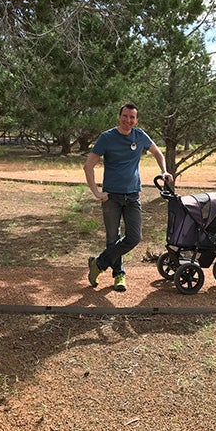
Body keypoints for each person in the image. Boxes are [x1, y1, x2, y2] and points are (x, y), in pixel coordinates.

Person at [84, 103, 173, 292]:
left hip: (133, 195)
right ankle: (119, 275)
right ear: (119, 117)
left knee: (134, 236)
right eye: (125, 116)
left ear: (136, 120)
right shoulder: (107, 138)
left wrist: (164, 171)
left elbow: (158, 153)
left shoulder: (139, 135)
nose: (128, 120)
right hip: (111, 197)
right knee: (112, 238)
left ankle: (98, 264)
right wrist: (96, 192)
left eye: (132, 117)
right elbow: (88, 165)